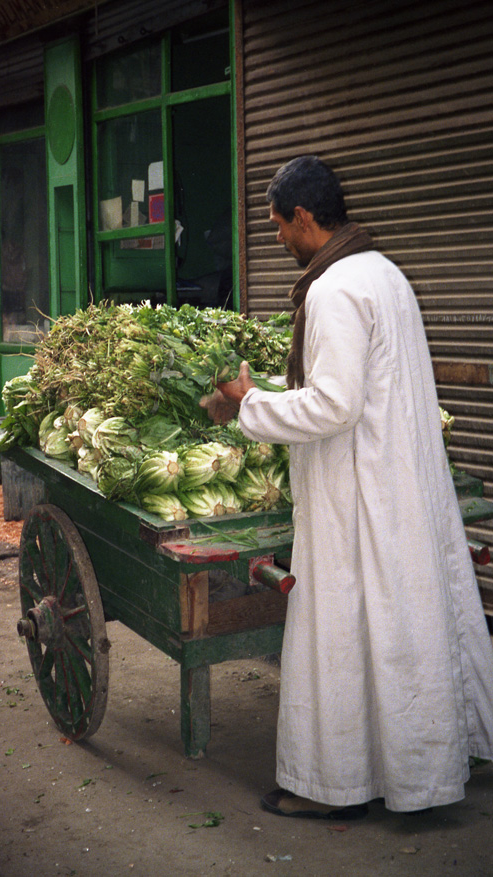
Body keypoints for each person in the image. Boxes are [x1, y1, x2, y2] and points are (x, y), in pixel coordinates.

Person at [201, 155, 493, 819]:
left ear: (305, 217)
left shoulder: (334, 290)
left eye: (278, 226)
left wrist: (249, 401)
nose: (277, 239)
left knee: (343, 634)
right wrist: (261, 398)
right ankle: (417, 768)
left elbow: (333, 405)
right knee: (399, 629)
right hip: (396, 483)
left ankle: (333, 787)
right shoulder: (383, 273)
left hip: (357, 494)